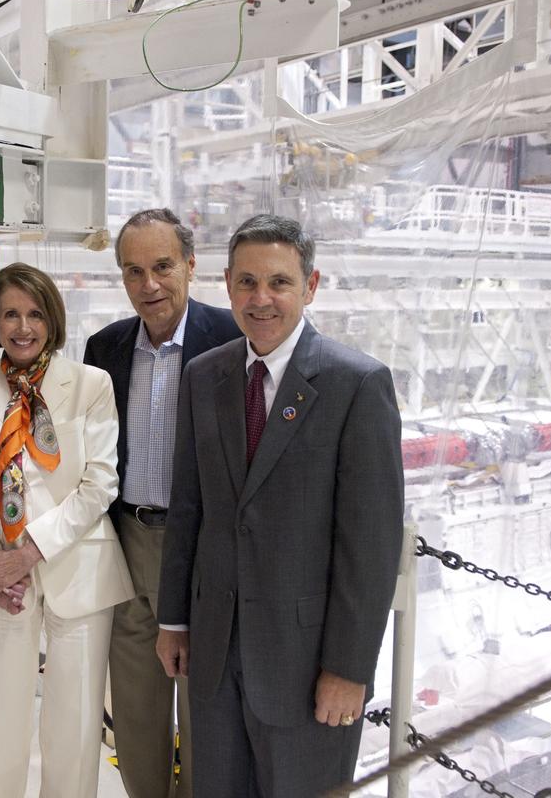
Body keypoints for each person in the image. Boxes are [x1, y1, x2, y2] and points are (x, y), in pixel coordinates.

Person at [156, 215, 404, 797]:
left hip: (307, 665)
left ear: (310, 286)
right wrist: (174, 620)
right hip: (214, 656)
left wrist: (349, 669)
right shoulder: (205, 376)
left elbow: (369, 546)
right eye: (246, 282)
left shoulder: (357, 384)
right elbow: (189, 506)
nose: (260, 299)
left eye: (279, 282)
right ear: (226, 284)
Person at [0, 262, 134, 798]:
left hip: (78, 572)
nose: (23, 326)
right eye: (10, 313)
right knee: (1, 723)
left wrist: (28, 552)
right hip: (1, 580)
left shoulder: (89, 384)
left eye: (34, 313)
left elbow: (100, 483)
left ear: (52, 319)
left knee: (75, 726)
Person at [83, 208, 239, 798]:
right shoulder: (106, 346)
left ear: (191, 266)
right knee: (136, 705)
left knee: (204, 706)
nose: (148, 285)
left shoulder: (231, 336)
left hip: (202, 547)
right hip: (129, 540)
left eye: (163, 267)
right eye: (133, 271)